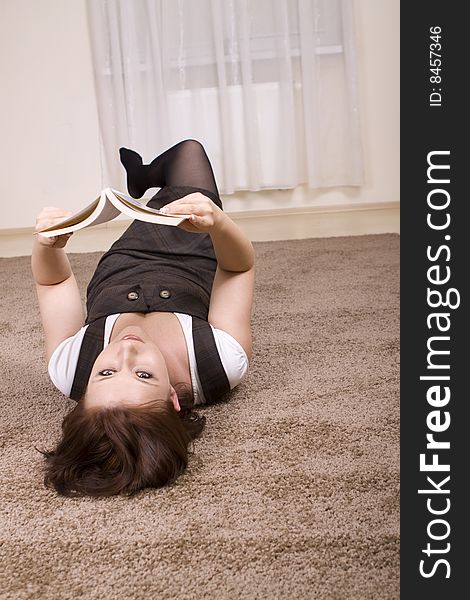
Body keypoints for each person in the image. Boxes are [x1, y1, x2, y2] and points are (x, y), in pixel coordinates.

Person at [32, 139, 255, 498]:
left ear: (85, 390)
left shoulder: (69, 367)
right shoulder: (218, 362)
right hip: (194, 261)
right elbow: (238, 268)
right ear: (173, 398)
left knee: (183, 169)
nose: (125, 354)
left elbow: (53, 281)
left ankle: (147, 179)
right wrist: (218, 225)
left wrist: (47, 245)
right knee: (190, 154)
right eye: (143, 374)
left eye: (105, 373)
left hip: (124, 265)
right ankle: (146, 177)